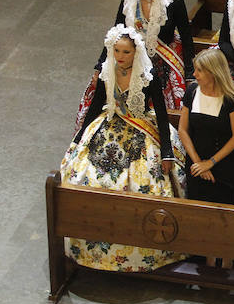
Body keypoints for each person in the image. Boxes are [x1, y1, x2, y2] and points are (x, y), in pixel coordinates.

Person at [61, 25, 186, 272]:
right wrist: (77, 141)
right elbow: (95, 107)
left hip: (141, 130)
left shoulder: (148, 79)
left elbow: (161, 116)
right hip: (108, 126)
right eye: (116, 50)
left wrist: (167, 152)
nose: (120, 56)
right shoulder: (107, 73)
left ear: (135, 52)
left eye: (126, 52)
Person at [77, 0, 195, 133]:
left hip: (162, 63)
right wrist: (99, 65)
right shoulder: (128, 1)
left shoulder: (173, 2)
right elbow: (115, 34)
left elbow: (186, 37)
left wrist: (190, 73)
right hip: (130, 57)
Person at [177, 49, 234, 209]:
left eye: (199, 70)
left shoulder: (231, 99)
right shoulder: (192, 92)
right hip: (195, 164)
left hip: (223, 167)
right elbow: (182, 130)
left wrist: (210, 163)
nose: (195, 74)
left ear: (214, 72)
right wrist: (199, 163)